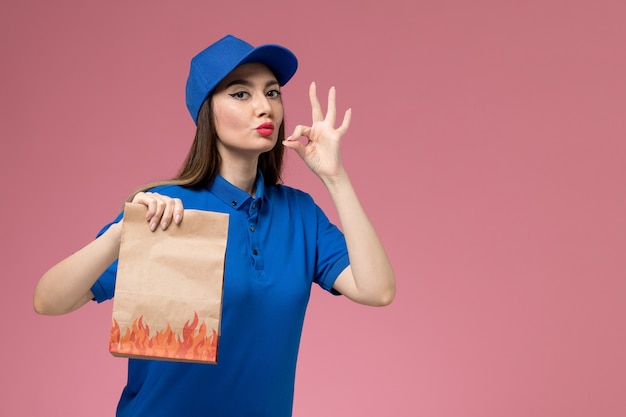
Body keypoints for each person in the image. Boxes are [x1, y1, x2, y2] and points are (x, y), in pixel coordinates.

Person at [33, 34, 395, 416]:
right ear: (208, 112)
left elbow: (377, 290)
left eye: (272, 93)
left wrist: (335, 178)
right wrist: (124, 233)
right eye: (241, 94)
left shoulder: (300, 214)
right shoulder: (165, 210)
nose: (264, 108)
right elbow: (49, 300)